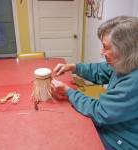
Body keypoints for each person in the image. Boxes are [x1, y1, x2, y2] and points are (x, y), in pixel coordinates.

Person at [51, 16, 138, 150]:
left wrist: (69, 93)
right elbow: (101, 70)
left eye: (105, 47)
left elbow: (101, 112)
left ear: (125, 50)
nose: (101, 52)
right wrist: (74, 67)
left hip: (121, 141)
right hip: (112, 126)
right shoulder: (126, 62)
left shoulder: (134, 82)